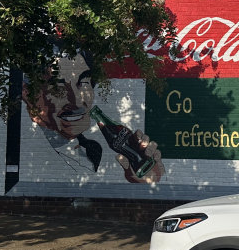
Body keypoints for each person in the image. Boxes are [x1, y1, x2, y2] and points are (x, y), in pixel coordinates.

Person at [28, 52, 164, 184]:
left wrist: (142, 176)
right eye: (58, 87)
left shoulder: (96, 147)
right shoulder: (33, 159)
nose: (77, 101)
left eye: (84, 82)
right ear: (28, 97)